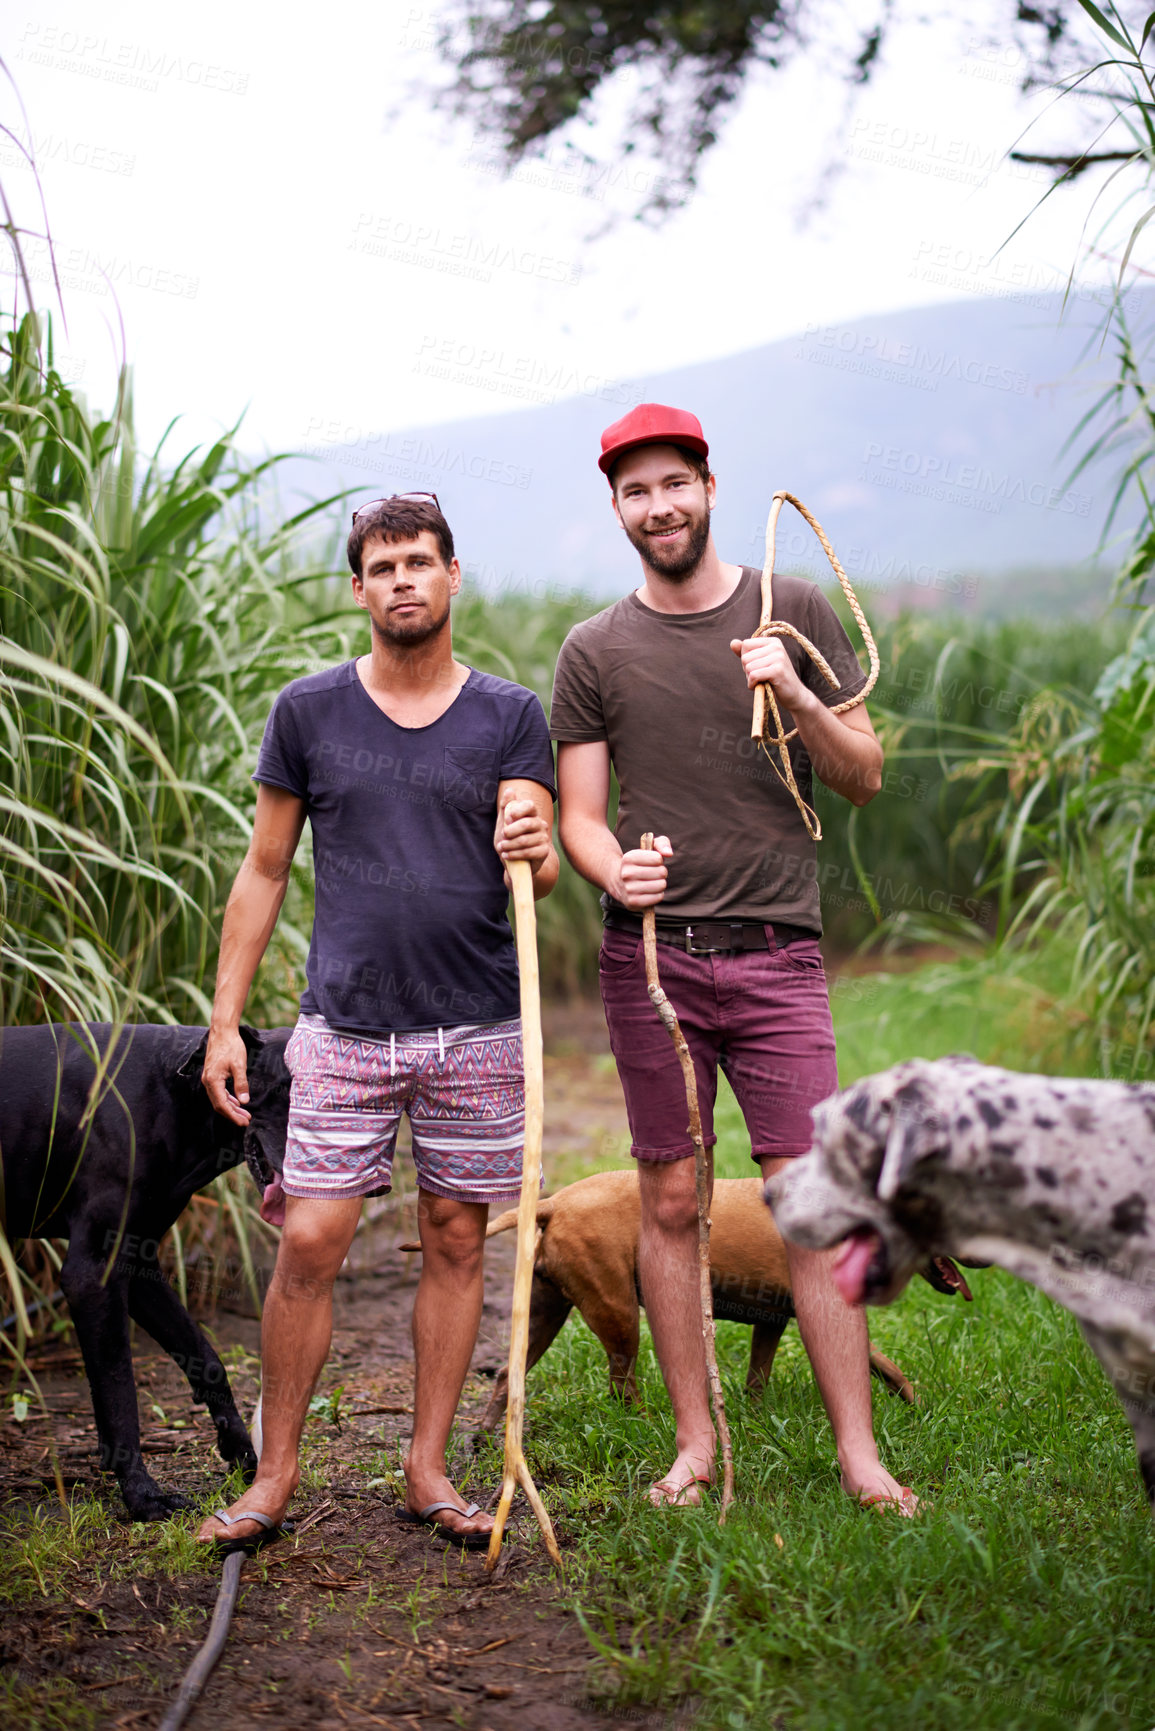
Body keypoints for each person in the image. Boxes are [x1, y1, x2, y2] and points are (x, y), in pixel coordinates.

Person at [551, 404, 916, 1512]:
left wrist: (796, 688)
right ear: (618, 508)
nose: (656, 506)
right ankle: (697, 1446)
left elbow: (863, 774)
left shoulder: (791, 608)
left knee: (808, 1198)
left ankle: (860, 1457)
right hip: (652, 962)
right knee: (670, 1199)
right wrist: (616, 873)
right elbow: (581, 817)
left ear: (708, 487)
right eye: (634, 492)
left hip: (776, 956)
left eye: (673, 484)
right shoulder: (593, 650)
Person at [196, 493, 558, 1550]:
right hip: (344, 1028)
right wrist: (226, 1023)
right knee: (309, 1237)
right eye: (383, 565)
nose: (403, 580)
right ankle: (274, 1477)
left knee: (454, 1238)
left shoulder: (509, 715)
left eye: (421, 562)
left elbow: (536, 871)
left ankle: (428, 1467)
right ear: (359, 589)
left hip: (479, 1024)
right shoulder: (308, 713)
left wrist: (534, 842)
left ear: (454, 577)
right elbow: (264, 870)